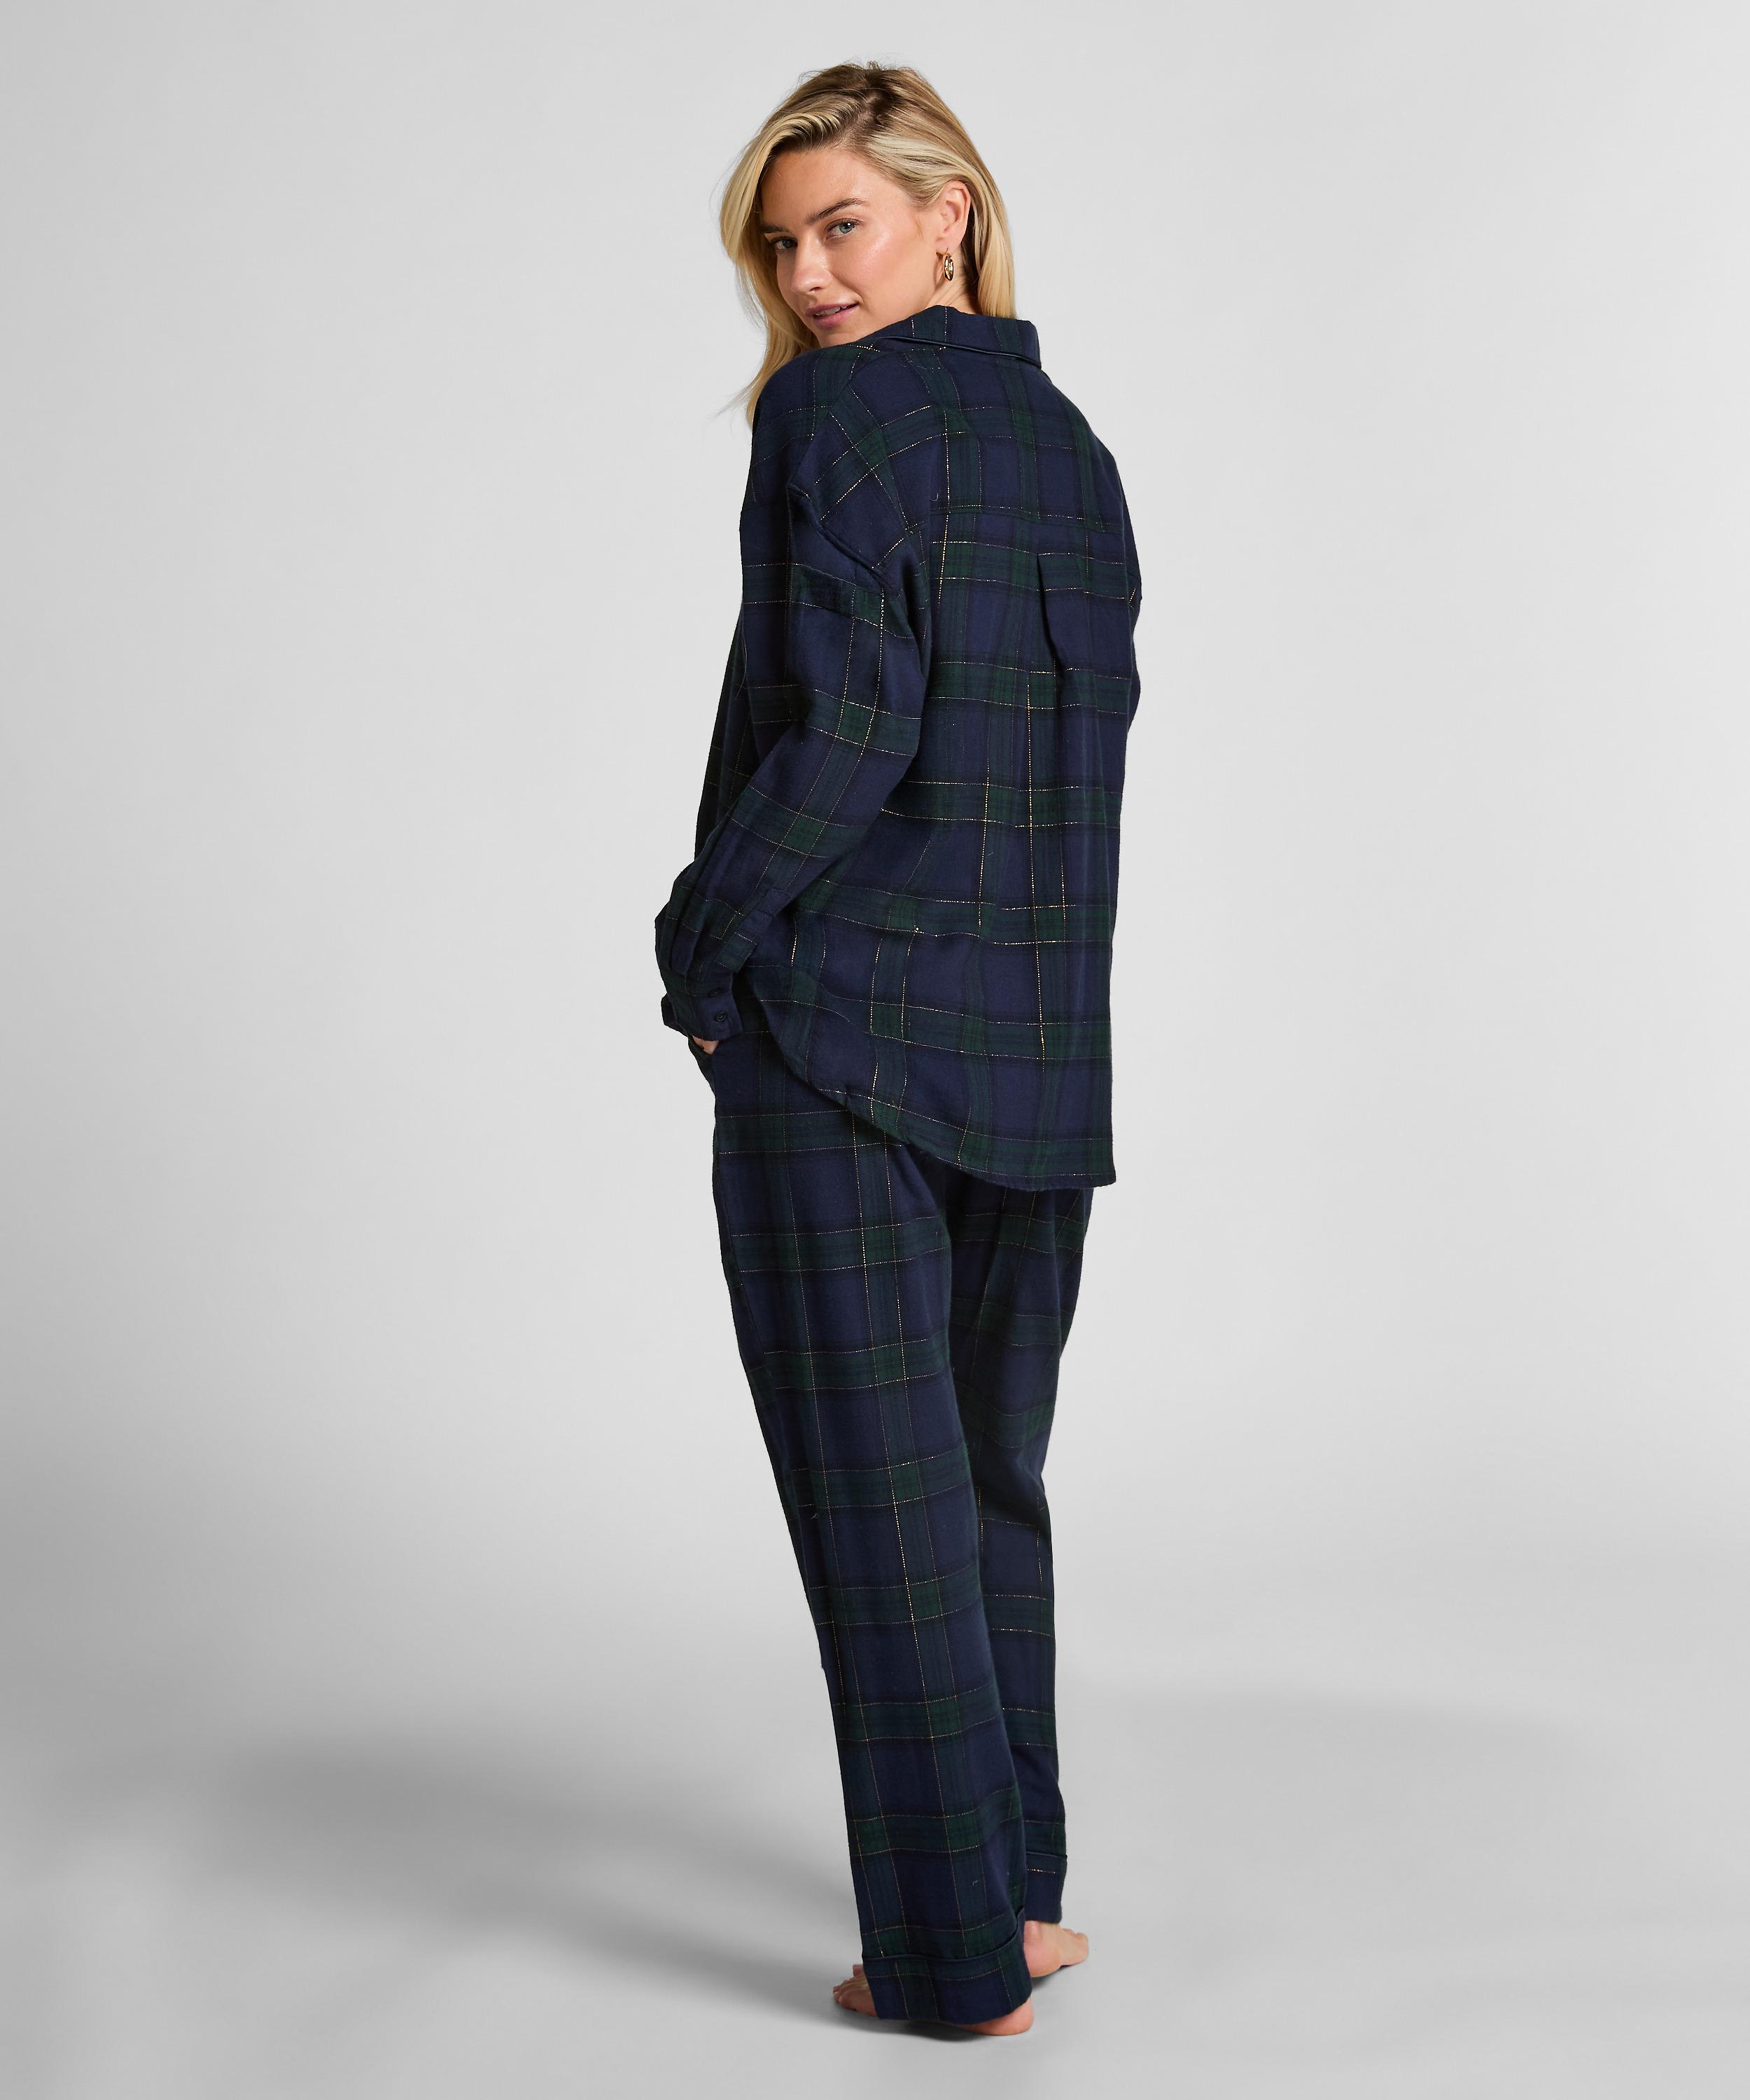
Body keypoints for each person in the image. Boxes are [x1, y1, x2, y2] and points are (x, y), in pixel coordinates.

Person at [652, 60, 1142, 2036]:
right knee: (981, 1490)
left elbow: (843, 729)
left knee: (885, 1518)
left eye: (839, 226)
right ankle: (1014, 1902)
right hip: (1035, 1065)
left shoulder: (830, 415)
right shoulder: (1074, 450)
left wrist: (701, 947)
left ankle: (946, 1971)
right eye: (780, 246)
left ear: (950, 215)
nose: (808, 277)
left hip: (840, 1040)